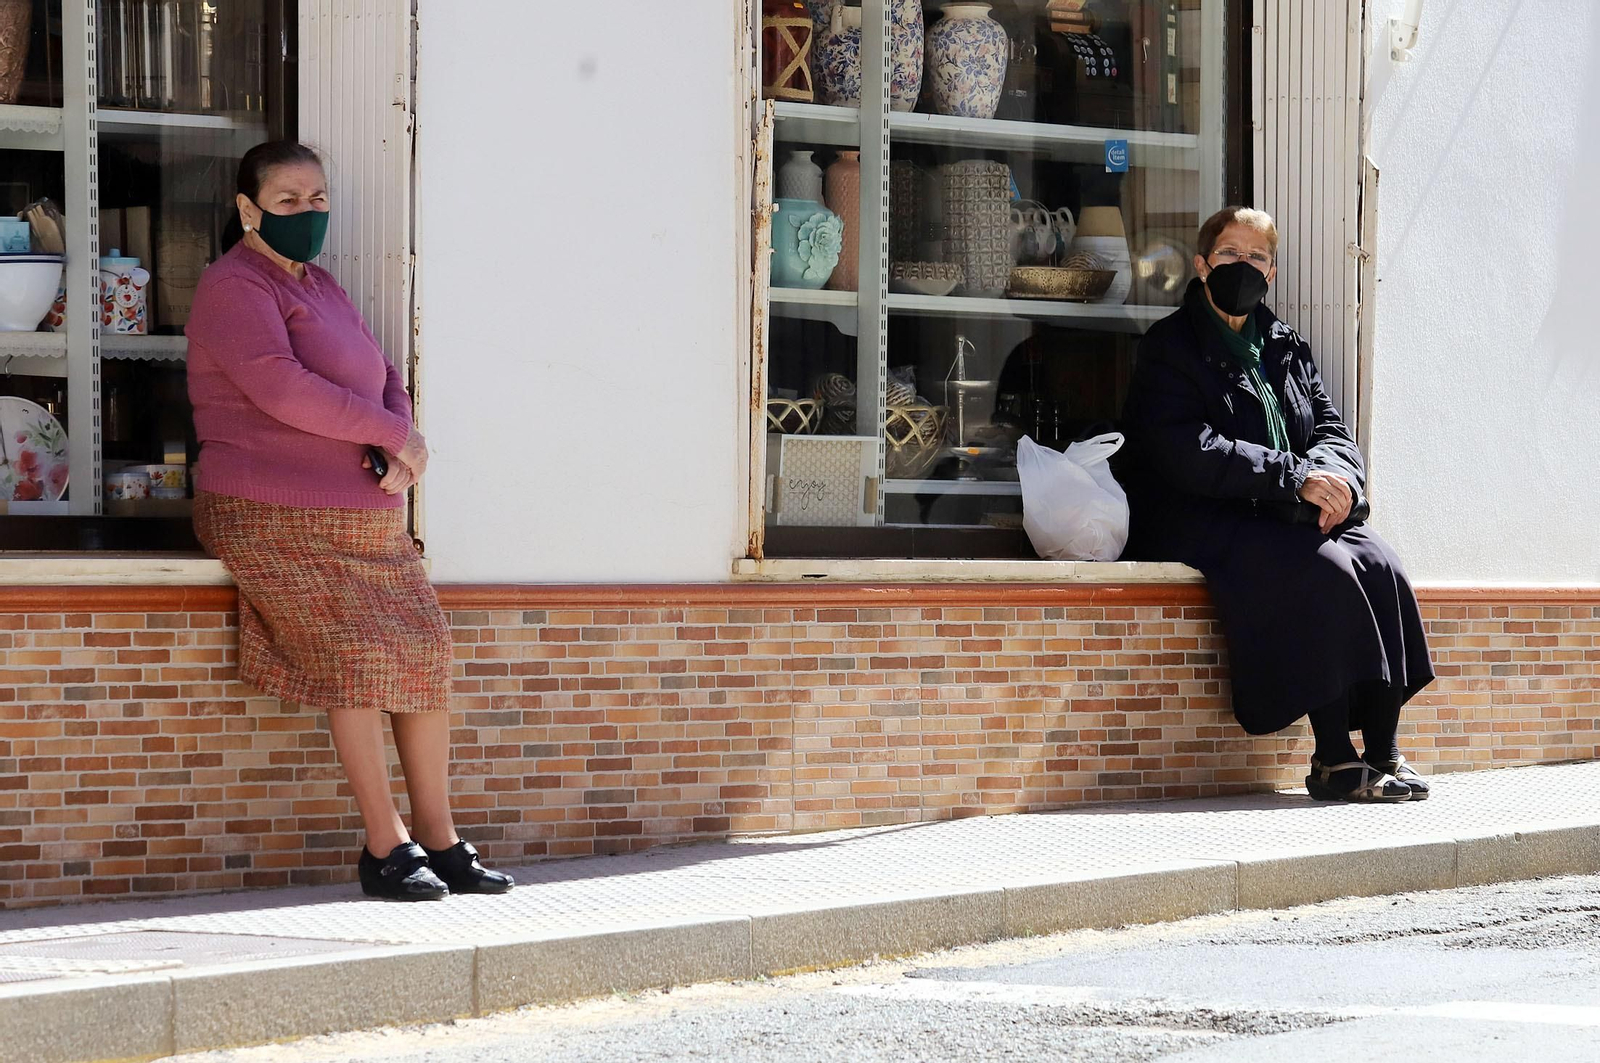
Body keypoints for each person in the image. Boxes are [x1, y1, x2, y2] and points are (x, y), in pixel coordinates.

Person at [185, 140, 513, 898]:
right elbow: (282, 388)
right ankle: (385, 844)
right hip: (267, 513)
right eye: (288, 201)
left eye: (317, 199)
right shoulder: (234, 286)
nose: (307, 213)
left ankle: (441, 836)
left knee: (424, 650)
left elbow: (381, 372)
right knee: (355, 654)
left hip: (365, 520)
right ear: (248, 208)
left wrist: (398, 433)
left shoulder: (322, 286)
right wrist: (393, 435)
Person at [1118, 206, 1435, 803]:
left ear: (1272, 269)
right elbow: (1187, 448)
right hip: (1203, 513)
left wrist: (1336, 481)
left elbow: (1332, 429)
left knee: (1381, 563)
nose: (1244, 266)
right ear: (1202, 264)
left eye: (1257, 257)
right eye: (1231, 254)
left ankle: (1386, 751)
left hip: (1283, 508)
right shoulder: (1170, 346)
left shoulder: (1286, 344)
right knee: (1327, 570)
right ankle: (1334, 760)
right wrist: (1293, 479)